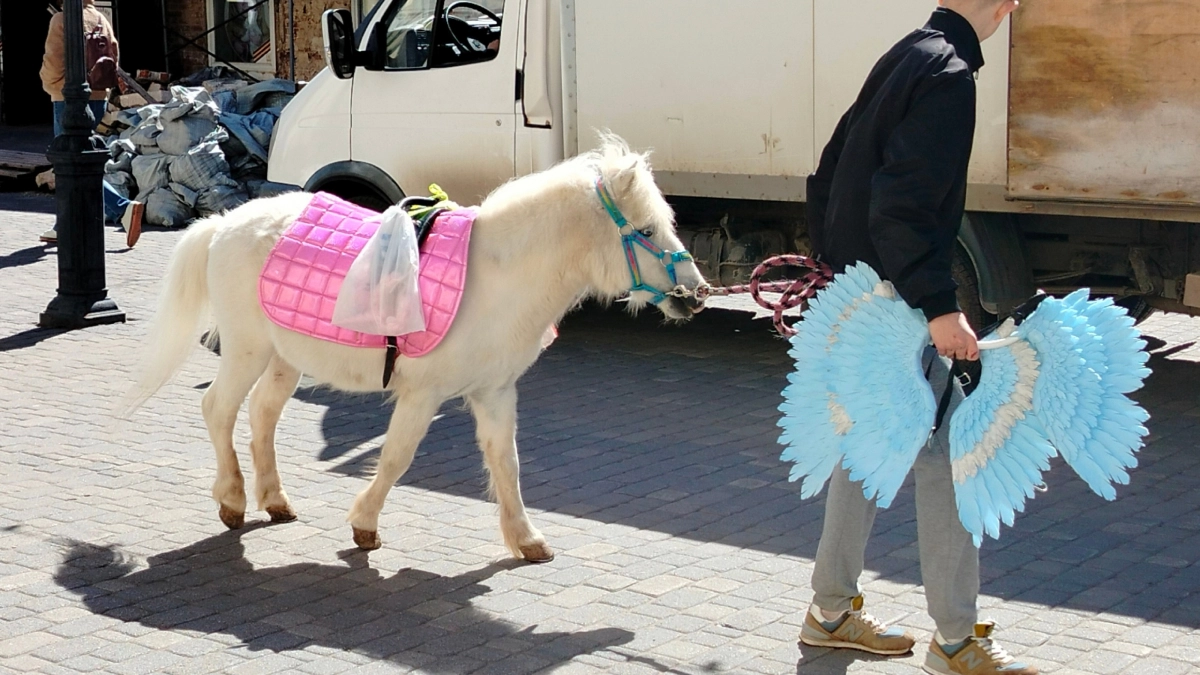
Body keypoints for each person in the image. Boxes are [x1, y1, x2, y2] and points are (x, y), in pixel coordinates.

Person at [801, 2, 1034, 674]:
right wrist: (938, 305)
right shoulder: (951, 74)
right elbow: (904, 203)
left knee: (871, 440)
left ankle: (831, 610)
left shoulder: (909, 52)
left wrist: (842, 273)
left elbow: (831, 166)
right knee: (945, 453)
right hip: (900, 299)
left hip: (871, 293)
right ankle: (957, 641)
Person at [39, 0, 143, 248]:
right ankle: (63, 225)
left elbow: (53, 60)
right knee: (80, 158)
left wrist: (50, 85)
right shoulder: (100, 18)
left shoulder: (61, 19)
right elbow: (113, 54)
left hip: (67, 97)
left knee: (69, 163)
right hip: (97, 95)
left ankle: (123, 207)